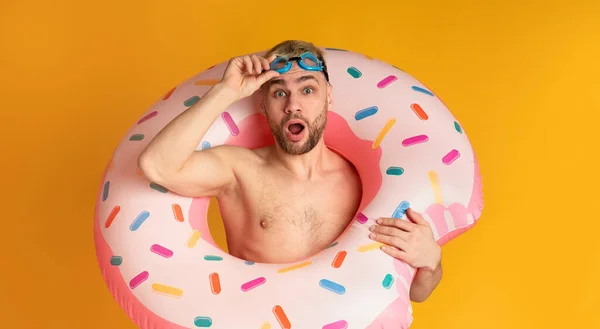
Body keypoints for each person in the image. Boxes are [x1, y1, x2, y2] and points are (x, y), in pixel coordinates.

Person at [138, 40, 443, 302]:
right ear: (263, 103)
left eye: (308, 89)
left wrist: (430, 263)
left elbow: (416, 293)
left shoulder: (365, 182)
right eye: (279, 93)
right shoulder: (238, 171)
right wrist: (227, 91)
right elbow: (157, 165)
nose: (293, 105)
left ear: (329, 97)